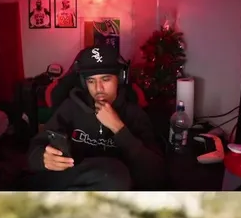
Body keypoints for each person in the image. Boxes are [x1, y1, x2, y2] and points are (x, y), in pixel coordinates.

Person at [23, 45, 166, 191]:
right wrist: (42, 158)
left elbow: (155, 173)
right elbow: (34, 150)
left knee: (116, 175)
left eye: (105, 79)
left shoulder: (134, 115)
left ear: (120, 78)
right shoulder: (71, 107)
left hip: (113, 188)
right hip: (72, 179)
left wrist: (119, 128)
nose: (98, 89)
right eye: (91, 81)